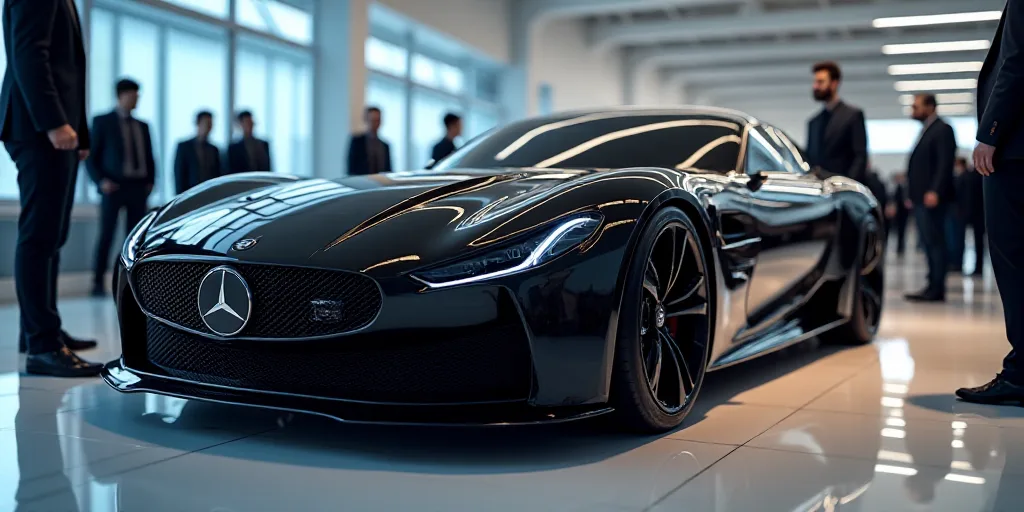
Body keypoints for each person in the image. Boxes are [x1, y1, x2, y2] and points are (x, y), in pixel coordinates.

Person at [0, 0, 102, 376]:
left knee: (53, 234)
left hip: (57, 129)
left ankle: (41, 330)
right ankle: (43, 347)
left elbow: (70, 69)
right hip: (37, 127)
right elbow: (29, 52)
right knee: (39, 236)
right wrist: (54, 123)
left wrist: (81, 132)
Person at [957, 0, 1024, 405]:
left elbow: (1016, 61)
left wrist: (990, 132)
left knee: (1014, 262)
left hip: (1014, 151)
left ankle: (1019, 376)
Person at [87, 79, 156, 298]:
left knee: (136, 239)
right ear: (121, 95)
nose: (136, 99)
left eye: (138, 96)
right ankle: (97, 283)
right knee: (106, 235)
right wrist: (100, 181)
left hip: (138, 188)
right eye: (133, 95)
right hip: (113, 187)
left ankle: (131, 285)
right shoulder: (102, 121)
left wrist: (151, 181)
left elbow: (149, 157)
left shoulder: (143, 126)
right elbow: (91, 156)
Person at [904, 93, 956, 303]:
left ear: (930, 107)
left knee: (935, 242)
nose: (913, 111)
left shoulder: (943, 129)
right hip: (921, 197)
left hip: (932, 197)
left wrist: (935, 190)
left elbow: (945, 163)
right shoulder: (926, 130)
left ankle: (936, 288)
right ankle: (931, 284)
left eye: (916, 106)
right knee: (928, 242)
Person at [805, 61, 868, 183]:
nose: (815, 86)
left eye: (820, 82)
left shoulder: (852, 116)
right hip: (819, 191)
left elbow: (860, 157)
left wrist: (849, 187)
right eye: (815, 82)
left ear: (834, 83)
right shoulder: (813, 123)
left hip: (843, 189)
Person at [174, 110, 222, 194]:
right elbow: (179, 174)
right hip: (190, 193)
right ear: (198, 124)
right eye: (206, 123)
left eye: (210, 124)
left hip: (210, 193)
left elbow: (218, 174)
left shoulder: (214, 149)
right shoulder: (184, 147)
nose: (209, 127)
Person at [960, 158, 987, 277]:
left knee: (979, 242)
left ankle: (979, 267)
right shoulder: (971, 174)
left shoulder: (980, 174)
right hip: (971, 213)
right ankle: (976, 266)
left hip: (979, 214)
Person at [347, 106, 392, 175]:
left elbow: (388, 170)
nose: (374, 124)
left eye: (377, 120)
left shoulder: (385, 145)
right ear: (366, 120)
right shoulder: (357, 142)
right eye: (372, 120)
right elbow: (351, 168)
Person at [946, 158, 970, 273]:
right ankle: (953, 262)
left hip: (960, 213)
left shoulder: (966, 177)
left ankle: (957, 263)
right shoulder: (957, 177)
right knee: (952, 239)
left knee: (958, 239)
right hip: (954, 212)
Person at [885, 173, 911, 257]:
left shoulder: (905, 187)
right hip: (896, 213)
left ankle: (901, 247)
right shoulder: (893, 188)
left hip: (903, 213)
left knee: (902, 231)